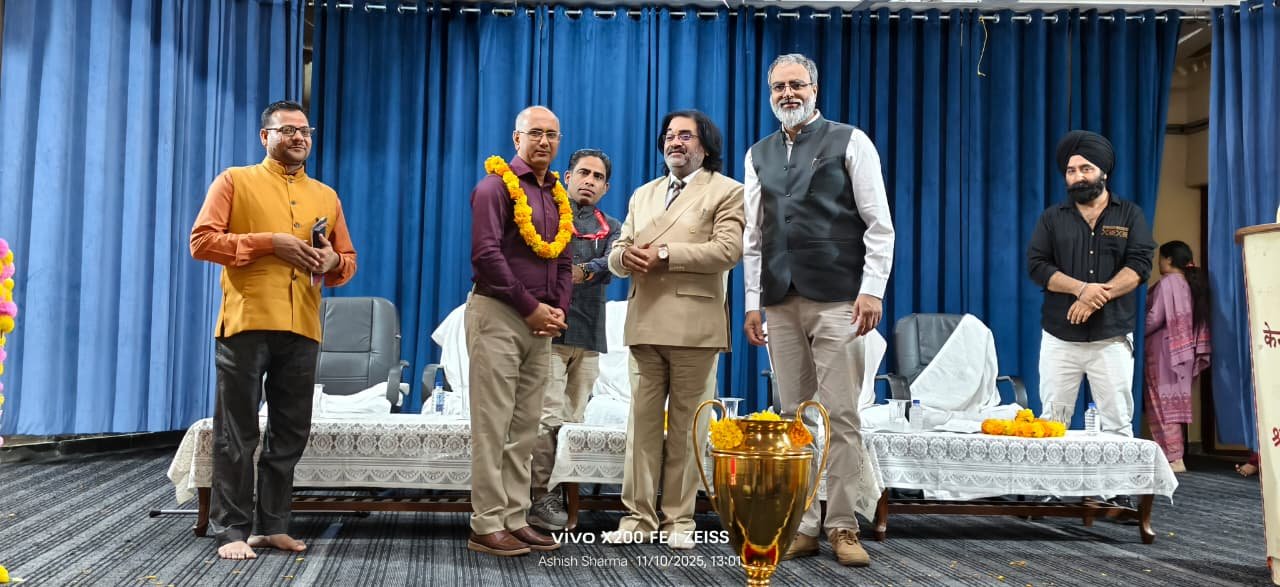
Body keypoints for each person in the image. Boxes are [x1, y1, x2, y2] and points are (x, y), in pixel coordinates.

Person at [742, 53, 895, 567]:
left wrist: (872, 290)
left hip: (839, 300)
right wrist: (752, 303)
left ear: (814, 88)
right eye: (778, 87)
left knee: (842, 417)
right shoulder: (757, 153)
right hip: (780, 302)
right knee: (793, 417)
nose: (787, 93)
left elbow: (879, 225)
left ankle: (843, 524)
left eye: (796, 84)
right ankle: (804, 525)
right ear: (770, 94)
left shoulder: (850, 141)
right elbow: (753, 237)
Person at [190, 100, 358, 560]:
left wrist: (331, 261)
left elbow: (347, 262)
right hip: (246, 322)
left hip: (303, 325)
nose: (299, 137)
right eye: (288, 130)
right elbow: (201, 242)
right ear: (265, 136)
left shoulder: (326, 195)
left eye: (305, 130)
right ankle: (231, 531)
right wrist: (270, 243)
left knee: (289, 433)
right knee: (237, 433)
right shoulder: (234, 180)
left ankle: (272, 526)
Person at [604, 110, 745, 549]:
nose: (674, 142)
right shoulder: (643, 193)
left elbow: (728, 250)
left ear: (706, 145)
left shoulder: (728, 191)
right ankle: (637, 519)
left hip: (695, 327)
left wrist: (665, 254)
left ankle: (679, 521)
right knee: (641, 428)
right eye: (669, 135)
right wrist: (622, 258)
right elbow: (618, 249)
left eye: (686, 135)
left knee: (688, 429)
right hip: (644, 322)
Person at [466, 106, 571, 556]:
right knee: (493, 425)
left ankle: (514, 516)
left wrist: (558, 310)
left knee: (526, 427)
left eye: (552, 135)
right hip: (499, 314)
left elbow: (563, 259)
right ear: (516, 138)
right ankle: (486, 523)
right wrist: (530, 308)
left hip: (541, 322)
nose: (544, 141)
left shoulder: (557, 195)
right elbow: (486, 255)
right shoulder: (495, 187)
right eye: (535, 133)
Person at [1027, 130, 1156, 436]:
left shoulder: (1130, 215)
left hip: (1111, 339)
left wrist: (1096, 297)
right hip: (1060, 338)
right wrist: (1081, 289)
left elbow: (1140, 265)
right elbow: (1037, 266)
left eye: (1086, 169)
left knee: (1118, 425)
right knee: (1051, 426)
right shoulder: (1052, 218)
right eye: (1071, 171)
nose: (1078, 177)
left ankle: (1116, 473)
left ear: (1103, 172)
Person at [527, 148, 622, 531]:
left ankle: (565, 494)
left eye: (598, 177)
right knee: (546, 420)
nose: (589, 181)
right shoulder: (547, 216)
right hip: (549, 332)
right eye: (583, 173)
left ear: (606, 187)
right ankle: (541, 497)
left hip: (589, 336)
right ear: (567, 177)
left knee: (573, 423)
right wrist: (583, 271)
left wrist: (583, 270)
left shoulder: (611, 226)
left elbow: (615, 263)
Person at [1144, 240, 1211, 472]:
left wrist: (1132, 331)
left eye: (1161, 258)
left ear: (1169, 259)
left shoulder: (1168, 282)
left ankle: (1174, 458)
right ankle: (1174, 456)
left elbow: (1154, 317)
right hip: (1184, 352)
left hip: (1164, 351)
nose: (1159, 263)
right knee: (1174, 404)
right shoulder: (1190, 282)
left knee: (1161, 404)